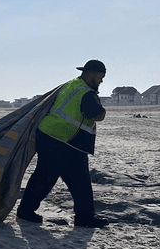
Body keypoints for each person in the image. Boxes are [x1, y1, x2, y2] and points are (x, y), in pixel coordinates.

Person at [16, 59, 110, 228]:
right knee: (48, 177)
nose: (101, 81)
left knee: (76, 179)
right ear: (90, 74)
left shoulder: (71, 85)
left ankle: (84, 216)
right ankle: (26, 211)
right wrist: (103, 112)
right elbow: (95, 114)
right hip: (65, 139)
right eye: (100, 77)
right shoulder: (86, 93)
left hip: (53, 136)